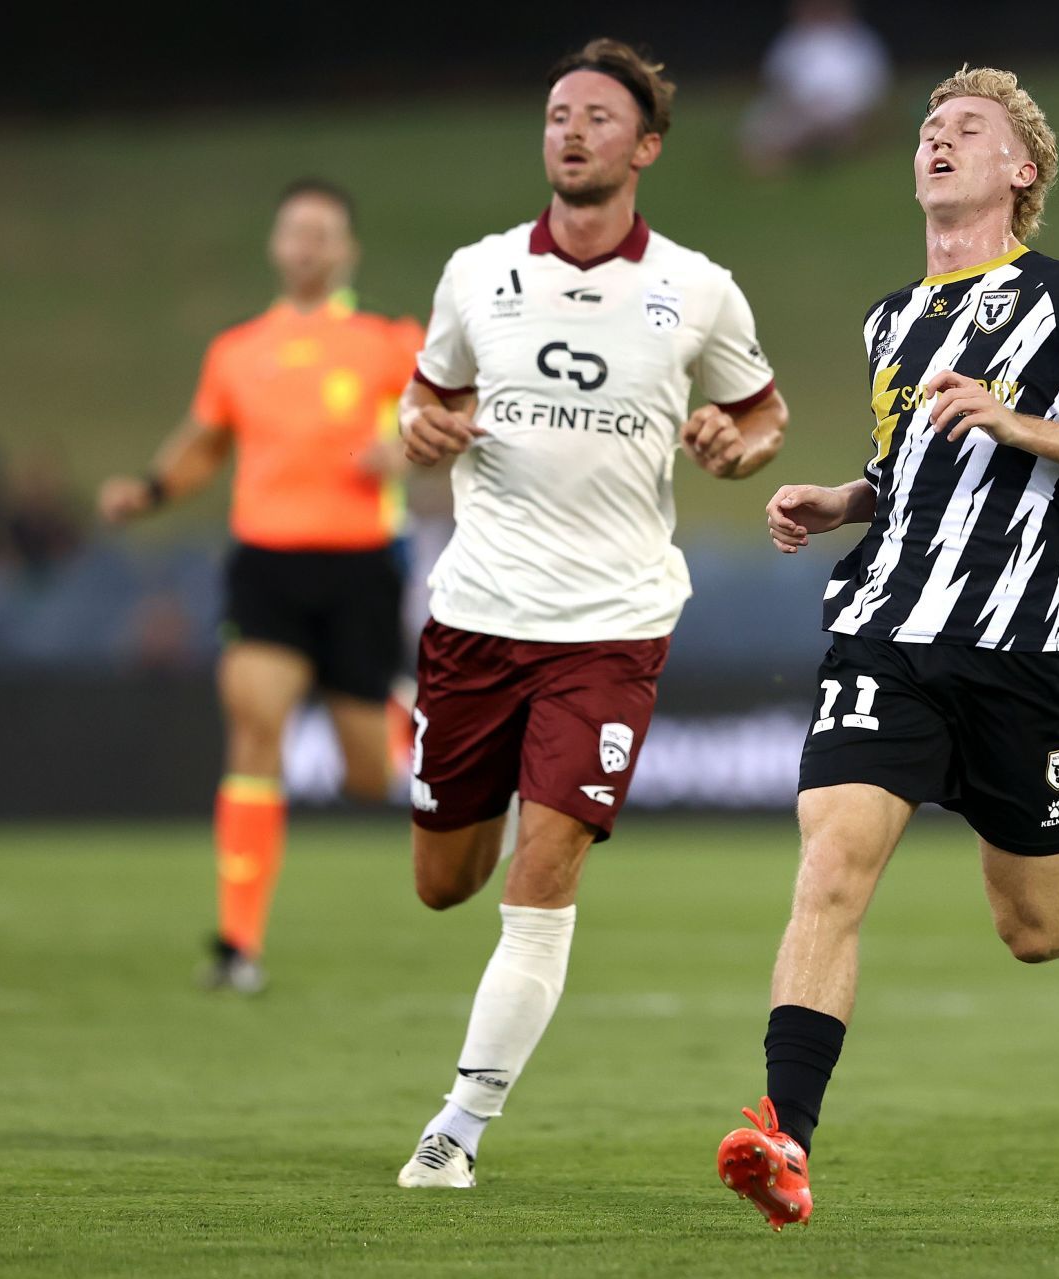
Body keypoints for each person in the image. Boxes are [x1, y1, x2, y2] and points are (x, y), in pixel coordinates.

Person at [714, 66, 1059, 1231]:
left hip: (1022, 650)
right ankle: (783, 1137)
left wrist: (1014, 417)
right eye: (930, 129)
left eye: (968, 130)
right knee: (831, 865)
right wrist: (841, 500)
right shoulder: (893, 319)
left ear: (1020, 170)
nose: (938, 141)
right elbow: (914, 473)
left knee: (1031, 925)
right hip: (887, 630)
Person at [392, 38, 788, 1189]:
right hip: (476, 613)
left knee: (545, 870)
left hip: (613, 623)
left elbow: (760, 417)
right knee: (441, 880)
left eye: (597, 117)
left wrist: (735, 447)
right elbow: (430, 396)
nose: (571, 130)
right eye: (558, 113)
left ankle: (456, 1129)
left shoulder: (696, 290)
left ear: (646, 148)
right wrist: (420, 426)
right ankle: (522, 802)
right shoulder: (476, 274)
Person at [99, 179, 422, 993]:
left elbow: (456, 414)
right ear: (277, 246)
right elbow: (206, 442)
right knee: (253, 727)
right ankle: (238, 945)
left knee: (365, 778)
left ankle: (398, 716)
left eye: (323, 233)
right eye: (295, 232)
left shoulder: (390, 340)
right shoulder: (237, 350)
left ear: (346, 248)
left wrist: (413, 445)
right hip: (266, 569)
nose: (308, 245)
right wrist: (151, 488)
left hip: (360, 569)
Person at [741, 0, 891, 176]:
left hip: (845, 110)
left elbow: (873, 86)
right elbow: (777, 82)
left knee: (827, 127)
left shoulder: (860, 41)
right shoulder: (792, 41)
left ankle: (803, 151)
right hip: (798, 109)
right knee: (761, 122)